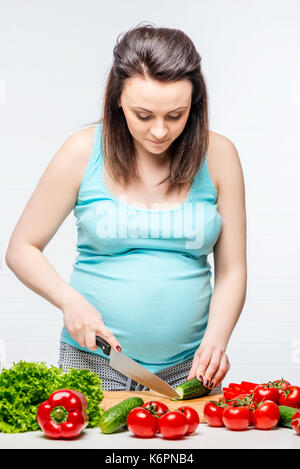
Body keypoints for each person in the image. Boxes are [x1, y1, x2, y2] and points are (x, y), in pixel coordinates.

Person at [5, 23, 246, 392]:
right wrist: (70, 302)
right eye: (144, 115)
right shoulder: (81, 152)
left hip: (191, 368)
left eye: (175, 115)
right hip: (93, 361)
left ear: (194, 104)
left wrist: (217, 339)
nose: (160, 132)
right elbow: (21, 249)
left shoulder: (221, 156)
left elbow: (231, 270)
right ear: (117, 98)